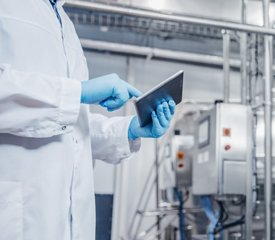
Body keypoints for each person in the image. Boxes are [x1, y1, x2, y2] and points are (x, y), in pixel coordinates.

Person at [0, 0, 176, 239]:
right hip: (18, 216)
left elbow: (72, 126)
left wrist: (130, 129)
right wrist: (78, 92)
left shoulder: (65, 25)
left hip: (70, 220)